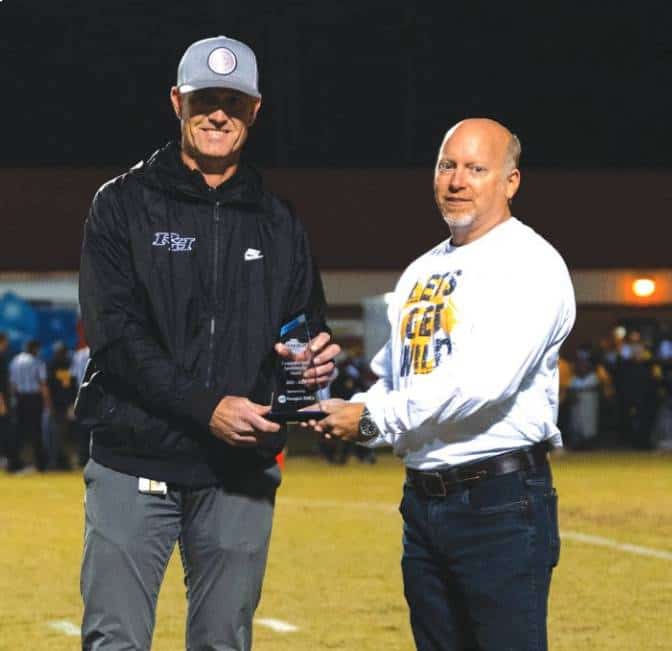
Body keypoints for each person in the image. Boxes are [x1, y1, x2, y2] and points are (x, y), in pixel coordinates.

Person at [77, 35, 339, 651]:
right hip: (133, 461)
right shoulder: (120, 205)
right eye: (204, 99)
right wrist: (207, 408)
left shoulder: (280, 222)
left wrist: (313, 363)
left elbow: (303, 328)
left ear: (255, 111)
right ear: (176, 101)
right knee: (114, 642)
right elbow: (116, 341)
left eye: (233, 101)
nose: (218, 113)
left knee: (224, 642)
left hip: (238, 472)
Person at [308, 119, 576, 651]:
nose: (457, 180)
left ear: (511, 181)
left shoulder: (530, 262)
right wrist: (344, 409)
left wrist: (371, 418)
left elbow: (483, 381)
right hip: (424, 503)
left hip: (498, 503)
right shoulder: (421, 270)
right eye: (446, 165)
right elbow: (396, 374)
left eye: (476, 168)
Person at [9, 339, 49, 471]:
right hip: (34, 398)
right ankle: (40, 464)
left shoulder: (15, 361)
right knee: (36, 432)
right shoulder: (37, 362)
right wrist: (47, 402)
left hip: (20, 398)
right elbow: (42, 384)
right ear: (35, 349)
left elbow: (12, 384)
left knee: (18, 432)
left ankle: (14, 463)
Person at [45, 342, 76, 469]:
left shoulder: (67, 365)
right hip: (56, 405)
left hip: (64, 405)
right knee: (56, 434)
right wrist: (50, 404)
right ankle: (55, 461)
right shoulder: (52, 366)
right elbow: (49, 386)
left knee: (63, 434)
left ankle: (62, 461)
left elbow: (70, 386)